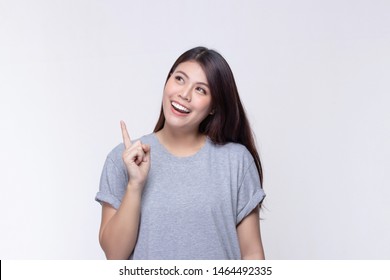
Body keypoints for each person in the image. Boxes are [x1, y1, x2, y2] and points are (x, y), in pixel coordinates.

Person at [95, 46, 266, 260]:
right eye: (179, 79)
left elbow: (252, 254)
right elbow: (114, 255)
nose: (184, 94)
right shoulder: (124, 158)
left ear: (214, 106)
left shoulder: (236, 161)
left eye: (200, 90)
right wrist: (135, 185)